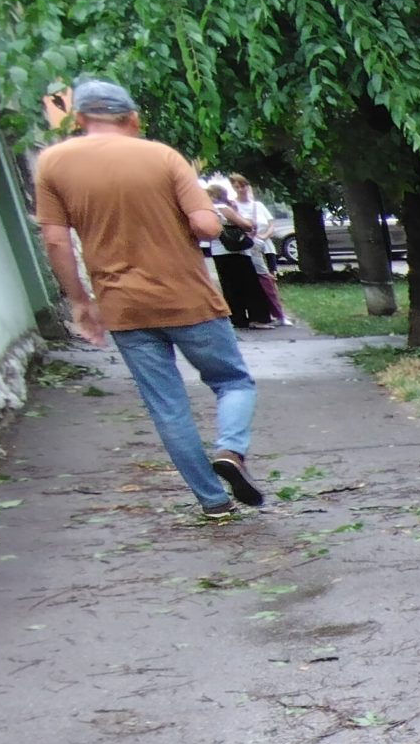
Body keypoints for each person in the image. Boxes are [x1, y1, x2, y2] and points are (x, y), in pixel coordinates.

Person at [33, 78, 264, 521]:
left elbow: (56, 241)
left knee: (166, 404)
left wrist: (80, 301)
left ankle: (213, 503)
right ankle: (231, 450)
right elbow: (207, 228)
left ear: (79, 119)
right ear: (133, 119)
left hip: (123, 308)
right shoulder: (162, 157)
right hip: (188, 297)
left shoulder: (52, 164)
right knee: (232, 381)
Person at [223, 173, 291, 325]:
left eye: (243, 185)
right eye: (237, 186)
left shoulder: (258, 206)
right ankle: (262, 314)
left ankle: (279, 313)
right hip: (247, 248)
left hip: (265, 246)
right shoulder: (233, 206)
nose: (241, 189)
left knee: (270, 280)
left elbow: (271, 224)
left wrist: (263, 236)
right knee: (255, 281)